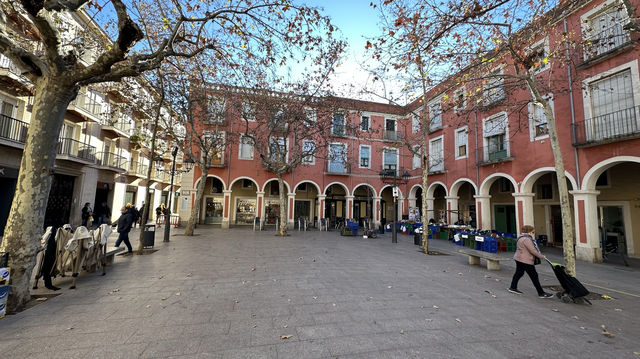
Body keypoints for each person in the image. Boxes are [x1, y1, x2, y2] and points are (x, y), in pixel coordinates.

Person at [508, 224, 553, 298]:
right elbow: (532, 250)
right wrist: (541, 256)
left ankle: (513, 287)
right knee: (534, 276)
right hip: (525, 260)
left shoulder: (520, 237)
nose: (533, 232)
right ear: (529, 231)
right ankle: (541, 293)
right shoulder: (527, 239)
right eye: (532, 231)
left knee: (519, 273)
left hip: (519, 258)